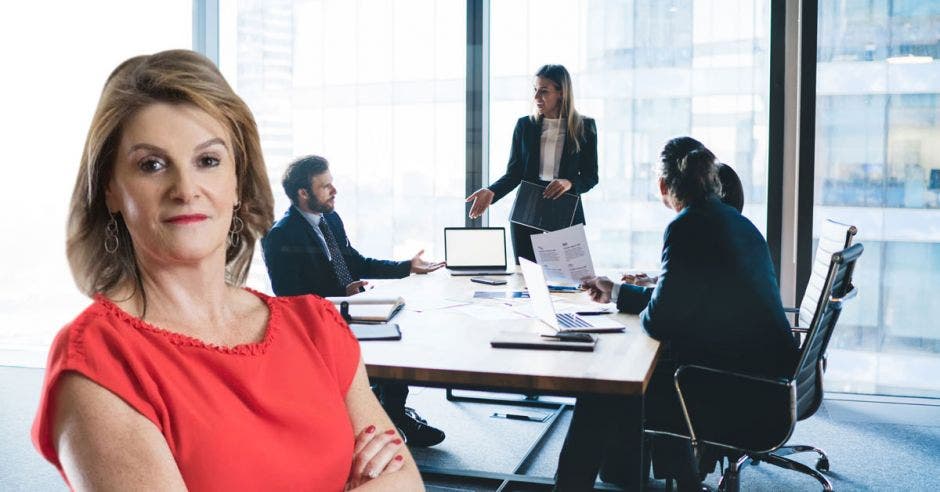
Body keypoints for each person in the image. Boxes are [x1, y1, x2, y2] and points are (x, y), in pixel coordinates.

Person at [31, 50, 423, 491]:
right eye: (151, 165)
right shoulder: (100, 360)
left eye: (208, 161)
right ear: (111, 191)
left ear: (237, 183)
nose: (185, 189)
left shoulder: (316, 326)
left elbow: (407, 482)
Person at [554, 137, 798, 491]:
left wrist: (645, 302)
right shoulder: (732, 220)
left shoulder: (687, 228)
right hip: (766, 379)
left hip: (736, 392)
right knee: (634, 372)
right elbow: (682, 300)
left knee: (602, 386)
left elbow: (661, 319)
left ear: (663, 186)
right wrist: (617, 292)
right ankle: (675, 479)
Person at [261, 155, 446, 447]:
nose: (334, 191)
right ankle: (387, 420)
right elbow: (290, 299)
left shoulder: (330, 219)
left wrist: (406, 267)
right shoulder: (280, 236)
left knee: (396, 339)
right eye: (326, 186)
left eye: (332, 184)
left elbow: (355, 263)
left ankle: (394, 414)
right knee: (387, 347)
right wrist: (338, 297)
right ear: (303, 193)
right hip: (315, 326)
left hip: (347, 311)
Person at [466, 64, 598, 263]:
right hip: (527, 208)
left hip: (566, 207)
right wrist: (491, 191)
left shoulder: (585, 127)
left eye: (544, 91)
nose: (536, 97)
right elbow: (514, 173)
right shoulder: (525, 126)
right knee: (527, 277)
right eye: (535, 90)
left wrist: (569, 183)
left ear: (561, 92)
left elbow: (590, 176)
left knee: (571, 276)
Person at [620, 158, 746, 287]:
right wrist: (656, 282)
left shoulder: (705, 240)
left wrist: (649, 287)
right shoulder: (738, 235)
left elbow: (683, 298)